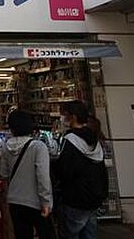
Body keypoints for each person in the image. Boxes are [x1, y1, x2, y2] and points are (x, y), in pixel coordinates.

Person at [53, 101, 109, 239]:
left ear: (73, 117)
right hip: (93, 198)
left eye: (65, 115)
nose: (63, 118)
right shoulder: (94, 139)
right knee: (89, 234)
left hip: (75, 198)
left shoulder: (71, 140)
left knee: (70, 233)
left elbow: (65, 170)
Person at [0, 110, 53, 239]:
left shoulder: (6, 147)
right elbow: (43, 177)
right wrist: (46, 201)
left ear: (11, 128)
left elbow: (3, 173)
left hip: (15, 201)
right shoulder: (38, 147)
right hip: (36, 202)